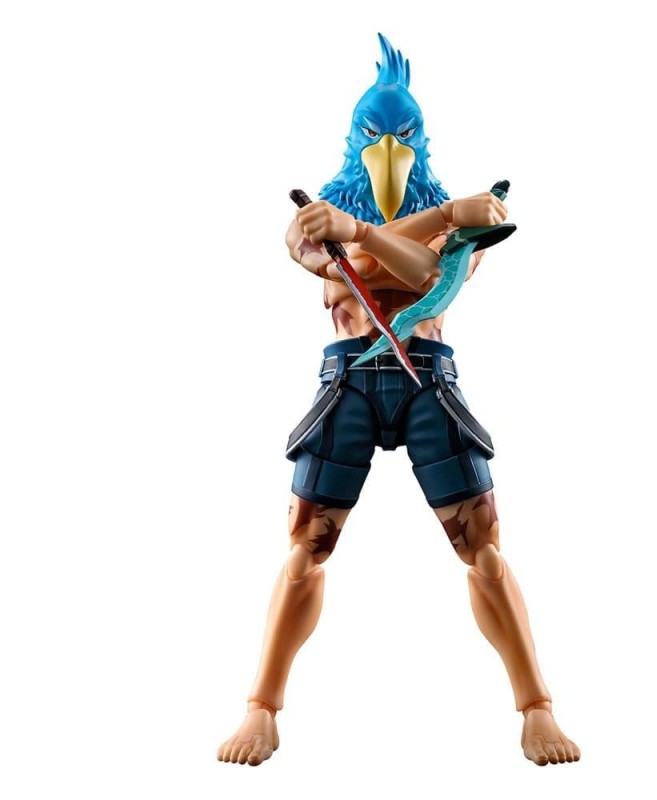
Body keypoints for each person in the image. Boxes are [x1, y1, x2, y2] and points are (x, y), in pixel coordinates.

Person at [217, 34, 579, 767]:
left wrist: (388, 228)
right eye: (374, 135)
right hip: (347, 381)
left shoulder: (466, 223)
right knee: (305, 550)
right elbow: (344, 263)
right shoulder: (318, 218)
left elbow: (423, 277)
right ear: (355, 138)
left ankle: (537, 706)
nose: (388, 150)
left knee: (483, 552)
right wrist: (385, 226)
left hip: (428, 381)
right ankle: (261, 705)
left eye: (402, 135)